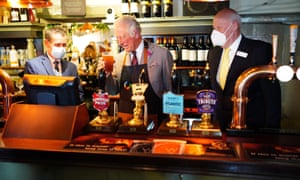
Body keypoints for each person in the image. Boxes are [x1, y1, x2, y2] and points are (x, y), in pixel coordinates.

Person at [207, 8, 281, 131]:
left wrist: (272, 130)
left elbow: (272, 96)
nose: (215, 33)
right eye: (214, 28)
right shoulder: (213, 53)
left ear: (234, 26)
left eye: (219, 28)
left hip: (251, 126)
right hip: (220, 125)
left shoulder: (259, 50)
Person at [103, 15, 173, 125]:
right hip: (125, 122)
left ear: (136, 33)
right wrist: (107, 75)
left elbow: (170, 91)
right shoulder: (118, 58)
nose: (120, 42)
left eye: (122, 37)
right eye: (118, 38)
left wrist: (171, 121)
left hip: (152, 121)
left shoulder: (162, 55)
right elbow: (113, 91)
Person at [24, 26, 84, 101]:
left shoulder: (71, 67)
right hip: (45, 110)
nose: (61, 48)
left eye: (64, 45)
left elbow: (79, 94)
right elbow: (32, 96)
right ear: (46, 43)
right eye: (57, 45)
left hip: (68, 111)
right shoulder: (34, 65)